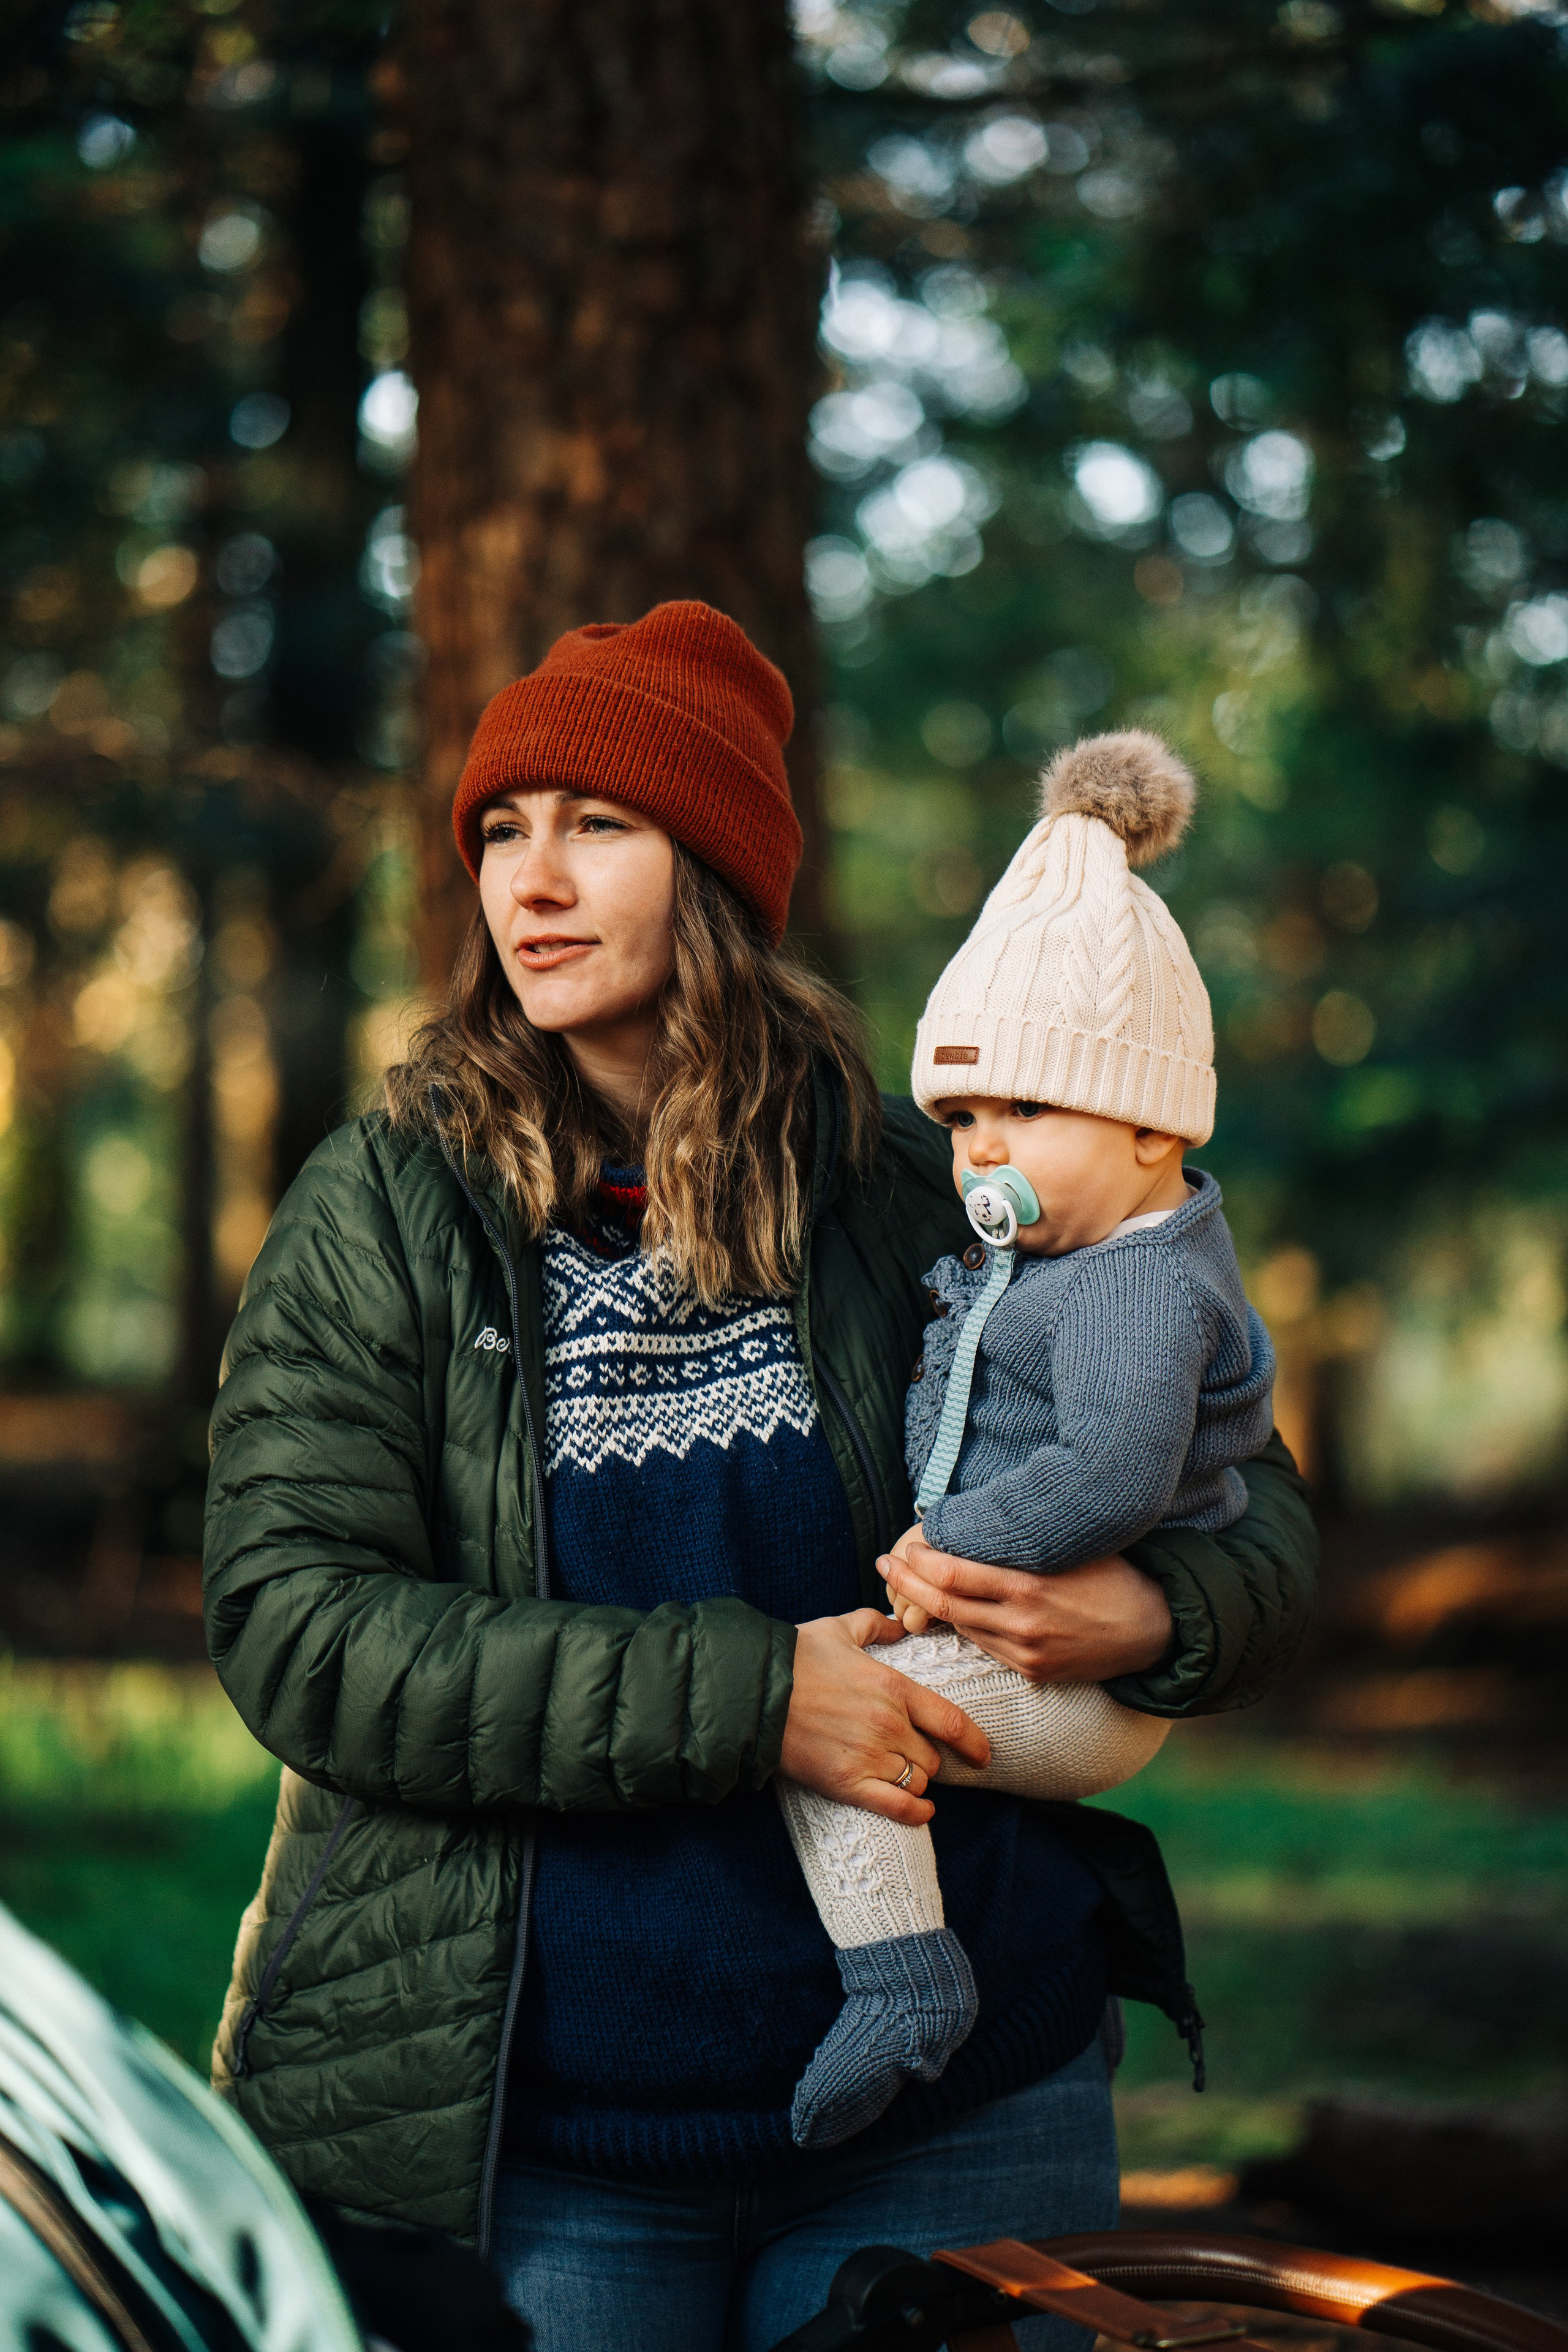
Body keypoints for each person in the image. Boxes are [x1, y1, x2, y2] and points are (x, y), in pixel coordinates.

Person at [203, 600, 1317, 2352]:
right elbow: (300, 1629)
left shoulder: (913, 1177)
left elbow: (1255, 1495)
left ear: (716, 869)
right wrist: (757, 1701)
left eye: (598, 824)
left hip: (966, 2115)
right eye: (501, 830)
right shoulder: (386, 1209)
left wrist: (1153, 1610)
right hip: (549, 2143)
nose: (531, 882)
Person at [779, 730, 1275, 2152]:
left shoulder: (1132, 1288)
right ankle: (901, 1976)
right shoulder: (1065, 1256)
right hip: (1031, 1642)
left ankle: (904, 1982)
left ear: (1151, 1131)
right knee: (834, 1717)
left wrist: (946, 1545)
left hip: (1074, 1678)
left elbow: (1112, 1475)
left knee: (841, 1737)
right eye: (961, 1117)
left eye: (1026, 1109)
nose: (980, 1152)